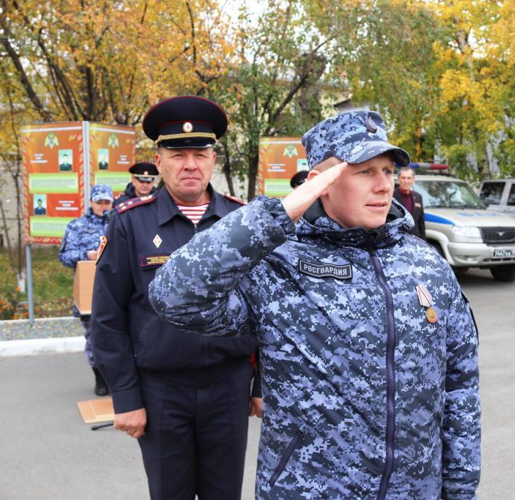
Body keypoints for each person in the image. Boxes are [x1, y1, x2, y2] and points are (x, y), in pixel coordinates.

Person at [149, 110, 481, 499]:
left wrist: (460, 489)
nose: (383, 186)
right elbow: (174, 296)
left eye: (388, 171)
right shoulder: (279, 264)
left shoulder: (426, 263)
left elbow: (460, 384)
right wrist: (277, 215)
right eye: (363, 172)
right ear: (320, 184)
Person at [91, 96, 261, 500]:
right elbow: (108, 316)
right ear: (159, 159)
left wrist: (261, 385)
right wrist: (126, 397)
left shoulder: (242, 221)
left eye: (200, 153)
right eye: (178, 153)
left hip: (228, 385)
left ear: (213, 159)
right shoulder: (130, 222)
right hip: (162, 391)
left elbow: (264, 309)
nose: (190, 164)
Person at [58, 184, 113, 396]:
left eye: (106, 202)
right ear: (91, 202)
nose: (102, 206)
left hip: (117, 290)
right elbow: (65, 255)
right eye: (98, 202)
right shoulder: (77, 226)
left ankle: (118, 377)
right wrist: (86, 254)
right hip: (90, 291)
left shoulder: (119, 222)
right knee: (94, 336)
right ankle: (100, 376)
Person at [393, 166, 426, 239]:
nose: (406, 181)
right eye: (403, 178)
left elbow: (421, 223)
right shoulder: (391, 196)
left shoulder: (418, 197)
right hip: (397, 240)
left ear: (413, 180)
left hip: (415, 240)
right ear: (398, 179)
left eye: (409, 178)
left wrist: (423, 241)